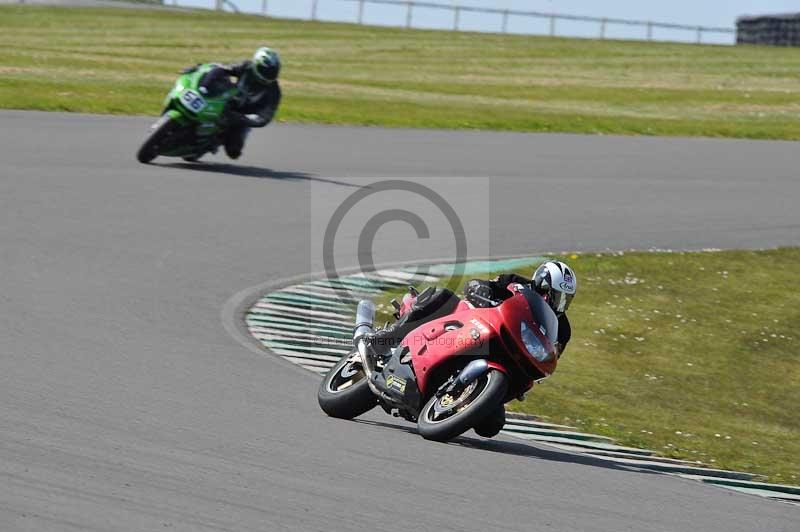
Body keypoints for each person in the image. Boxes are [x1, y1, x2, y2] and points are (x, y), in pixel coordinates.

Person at [369, 260, 576, 357]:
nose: (557, 303)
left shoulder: (562, 329)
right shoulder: (514, 282)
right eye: (555, 294)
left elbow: (550, 358)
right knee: (445, 297)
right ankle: (390, 335)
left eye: (565, 299)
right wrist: (486, 296)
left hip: (507, 352)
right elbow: (478, 285)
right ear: (540, 284)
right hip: (477, 323)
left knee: (492, 425)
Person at [183, 47, 282, 160]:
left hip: (242, 116)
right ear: (255, 64)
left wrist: (242, 119)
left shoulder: (274, 92)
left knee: (233, 152)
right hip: (230, 99)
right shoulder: (246, 66)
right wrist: (201, 75)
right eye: (265, 70)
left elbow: (265, 117)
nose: (268, 74)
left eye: (272, 71)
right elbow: (222, 68)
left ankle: (211, 143)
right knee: (218, 79)